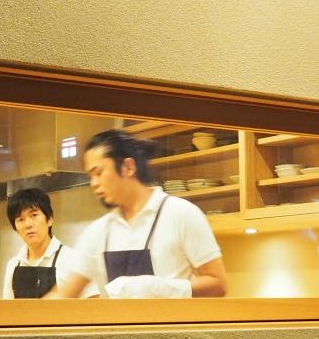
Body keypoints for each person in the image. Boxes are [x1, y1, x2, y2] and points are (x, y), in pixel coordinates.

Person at [50, 128, 228, 299]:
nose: (93, 183)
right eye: (91, 176)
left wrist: (157, 288)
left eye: (99, 172)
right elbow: (65, 294)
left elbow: (218, 284)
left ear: (128, 167)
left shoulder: (180, 213)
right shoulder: (99, 230)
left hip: (171, 322)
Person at [0, 187, 95, 299]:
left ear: (49, 219)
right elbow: (7, 307)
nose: (28, 224)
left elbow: (94, 302)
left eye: (34, 215)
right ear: (15, 229)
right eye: (20, 219)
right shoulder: (13, 264)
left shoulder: (72, 259)